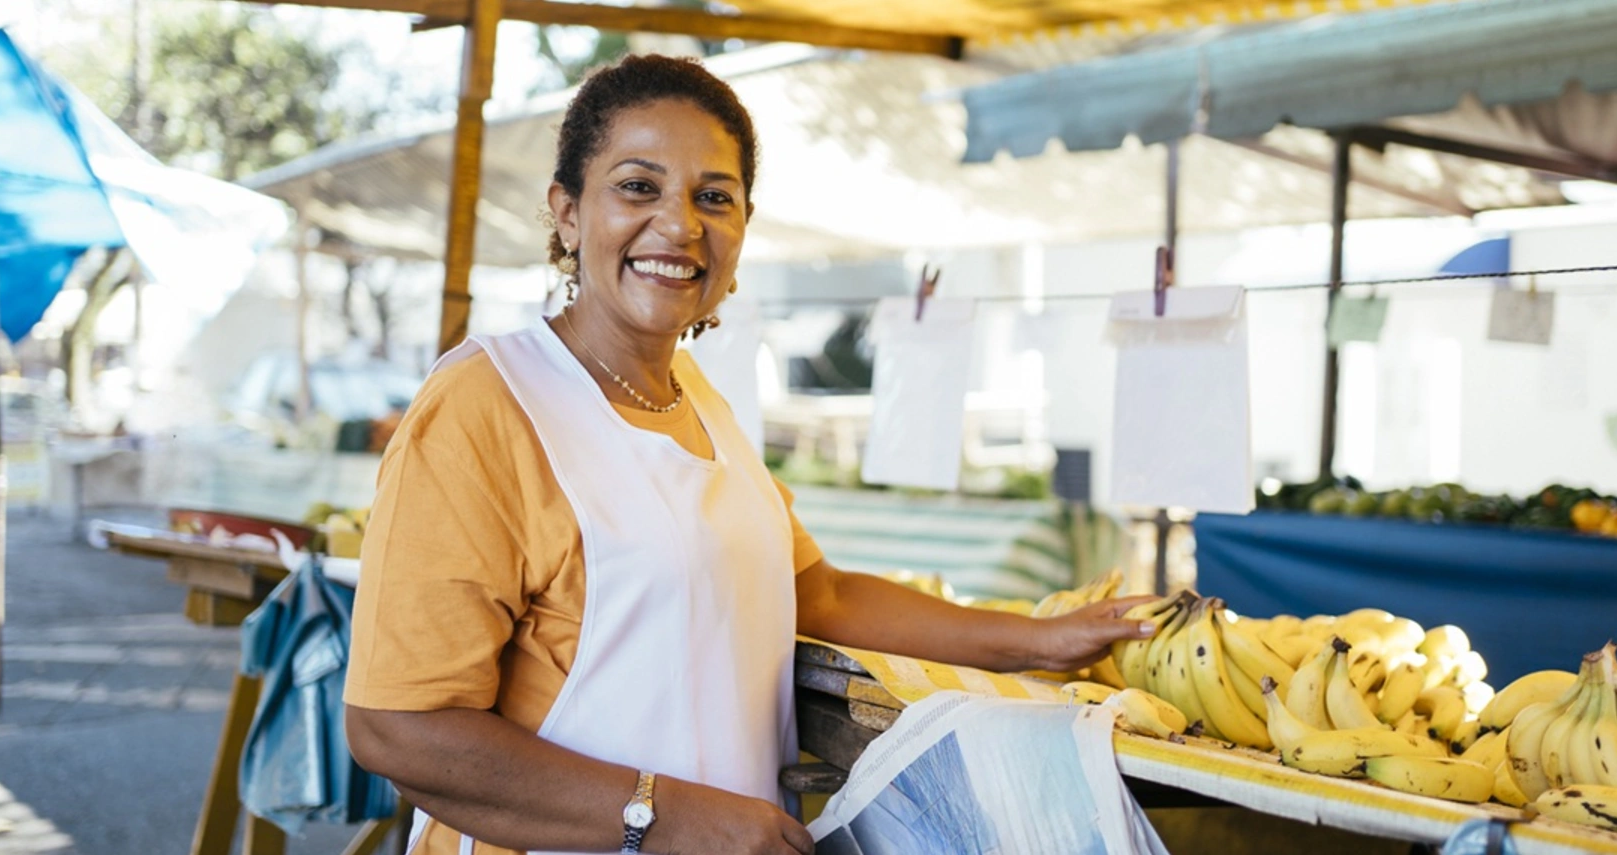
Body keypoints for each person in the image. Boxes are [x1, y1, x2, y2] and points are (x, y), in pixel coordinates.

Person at [342, 54, 1157, 855]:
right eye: (637, 186)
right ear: (566, 213)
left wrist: (1034, 638)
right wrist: (666, 816)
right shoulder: (487, 402)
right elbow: (399, 725)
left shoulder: (700, 400)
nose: (679, 223)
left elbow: (818, 591)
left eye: (714, 198)